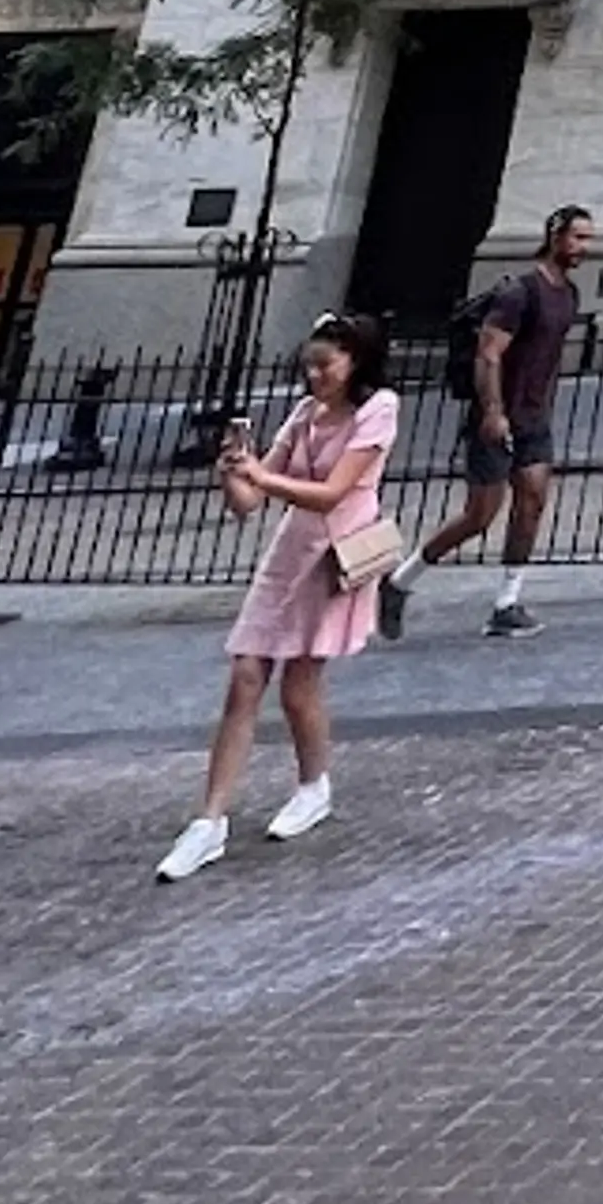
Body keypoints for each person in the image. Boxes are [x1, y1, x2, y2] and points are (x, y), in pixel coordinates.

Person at [155, 312, 398, 878]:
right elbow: (249, 503)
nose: (315, 376)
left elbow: (333, 493)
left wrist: (261, 479)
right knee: (244, 677)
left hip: (336, 556)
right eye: (308, 365)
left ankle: (314, 785)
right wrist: (234, 470)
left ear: (354, 361)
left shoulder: (377, 408)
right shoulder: (304, 414)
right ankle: (209, 820)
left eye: (325, 365)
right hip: (290, 554)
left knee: (299, 685)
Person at [378, 204, 592, 641]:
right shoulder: (520, 292)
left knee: (531, 501)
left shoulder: (569, 295)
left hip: (534, 417)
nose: (584, 247)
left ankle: (507, 603)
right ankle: (399, 581)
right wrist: (492, 411)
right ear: (555, 236)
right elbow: (488, 353)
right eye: (578, 237)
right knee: (479, 515)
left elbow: (548, 358)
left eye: (588, 239)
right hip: (496, 417)